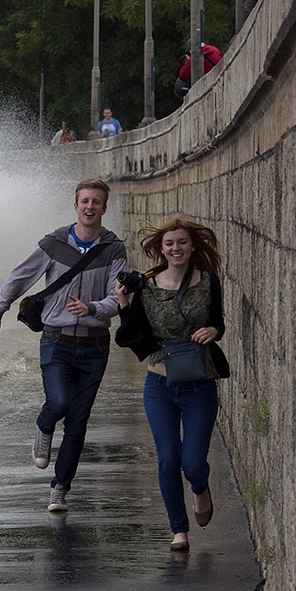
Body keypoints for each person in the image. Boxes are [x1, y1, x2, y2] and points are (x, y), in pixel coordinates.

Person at [0, 178, 129, 513]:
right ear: (75, 206)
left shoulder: (114, 248)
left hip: (95, 345)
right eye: (85, 201)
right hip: (56, 340)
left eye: (96, 202)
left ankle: (59, 489)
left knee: (78, 421)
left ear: (104, 208)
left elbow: (116, 298)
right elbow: (20, 277)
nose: (90, 207)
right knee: (59, 403)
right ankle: (44, 426)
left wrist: (92, 308)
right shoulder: (54, 242)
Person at [114, 216, 228, 552]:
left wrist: (214, 332)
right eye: (169, 244)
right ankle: (179, 530)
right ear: (161, 249)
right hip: (159, 386)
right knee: (167, 459)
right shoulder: (147, 285)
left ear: (192, 246)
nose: (175, 248)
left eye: (181, 242)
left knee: (192, 463)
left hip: (199, 385)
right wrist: (123, 302)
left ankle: (200, 486)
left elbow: (218, 321)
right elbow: (131, 336)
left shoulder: (208, 281)